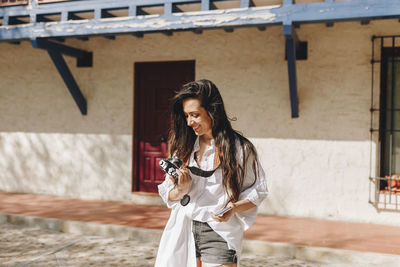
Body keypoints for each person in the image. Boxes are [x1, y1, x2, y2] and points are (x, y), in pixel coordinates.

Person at [155, 79, 268, 267]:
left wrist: (232, 208)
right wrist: (181, 189)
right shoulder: (184, 148)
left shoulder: (240, 149)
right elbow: (168, 193)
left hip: (219, 231)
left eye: (195, 115)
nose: (190, 122)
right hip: (184, 226)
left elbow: (258, 191)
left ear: (213, 111)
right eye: (186, 116)